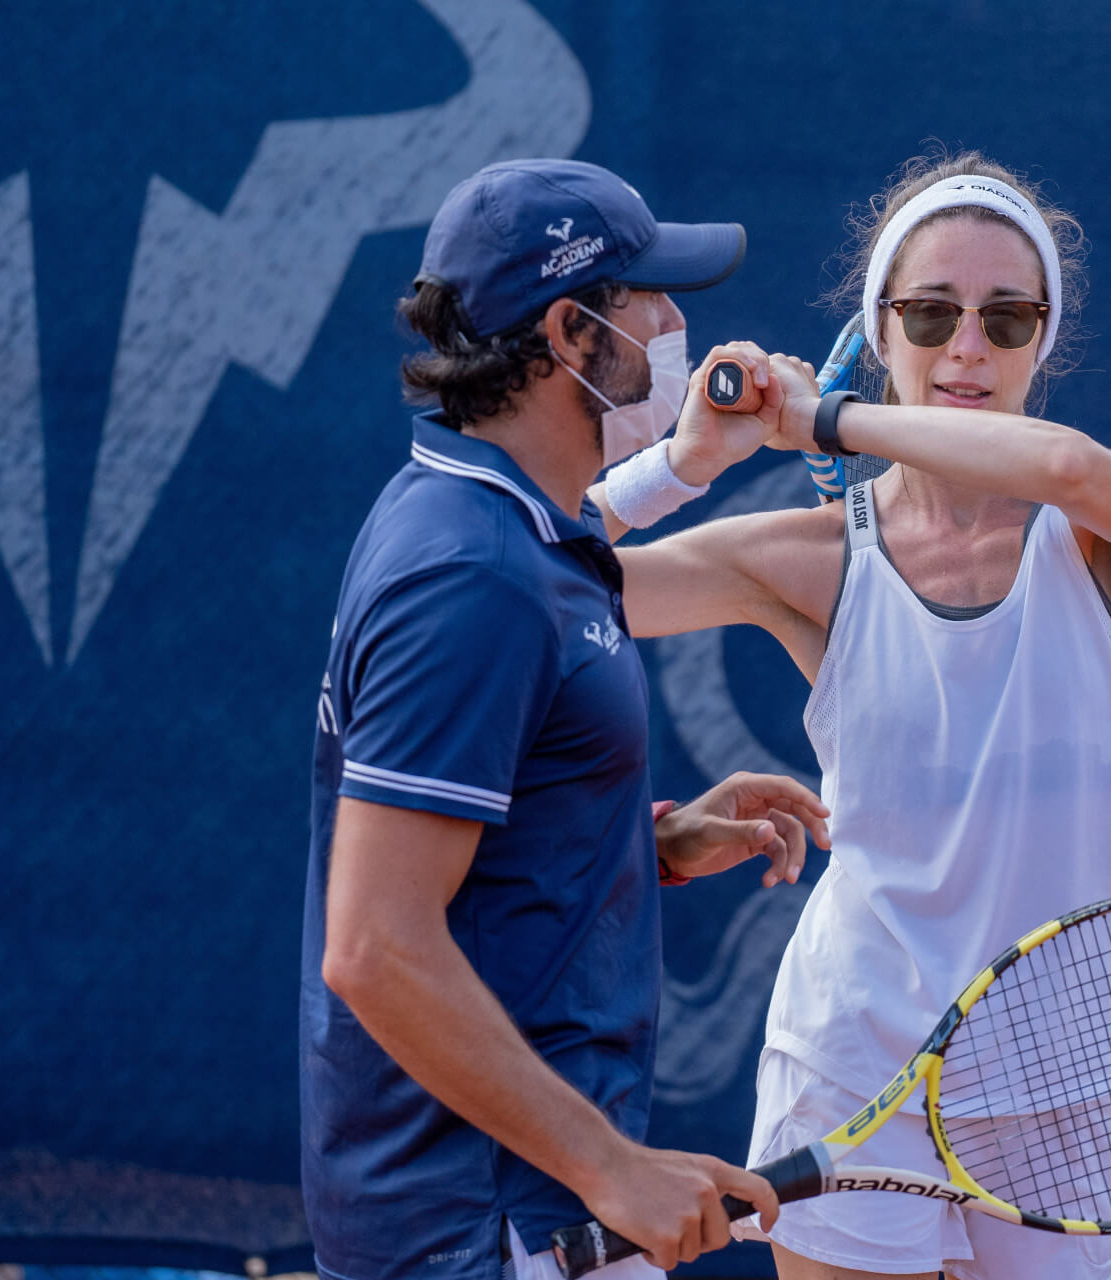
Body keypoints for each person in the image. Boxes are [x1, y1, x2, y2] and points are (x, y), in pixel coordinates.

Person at [613, 151, 1111, 1280]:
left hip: (1065, 1079)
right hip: (854, 1061)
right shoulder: (810, 558)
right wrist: (677, 467)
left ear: (1046, 337)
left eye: (1007, 316)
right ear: (879, 331)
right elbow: (524, 584)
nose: (967, 348)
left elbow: (1072, 466)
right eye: (929, 314)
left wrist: (829, 422)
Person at [302, 158, 829, 1280]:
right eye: (648, 297)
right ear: (572, 331)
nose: (677, 323)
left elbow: (480, 856)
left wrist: (644, 843)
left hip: (520, 1212)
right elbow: (375, 943)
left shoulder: (493, 525)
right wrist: (611, 1166)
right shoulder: (471, 575)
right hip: (485, 1227)